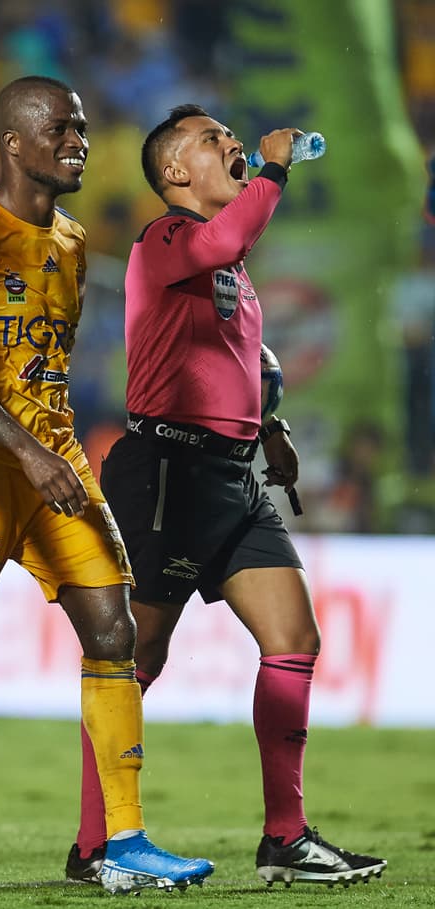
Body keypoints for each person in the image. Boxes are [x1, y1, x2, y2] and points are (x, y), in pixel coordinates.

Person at [0, 76, 216, 895]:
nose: (80, 142)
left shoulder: (69, 241)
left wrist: (49, 454)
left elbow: (46, 367)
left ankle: (125, 838)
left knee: (115, 632)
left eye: (84, 129)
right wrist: (28, 454)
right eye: (63, 129)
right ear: (15, 143)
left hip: (57, 469)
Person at [68, 103, 387, 888]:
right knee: (134, 655)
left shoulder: (231, 274)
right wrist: (276, 167)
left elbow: (241, 362)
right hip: (165, 470)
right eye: (212, 140)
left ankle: (286, 835)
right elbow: (227, 235)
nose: (233, 144)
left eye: (233, 138)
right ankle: (93, 842)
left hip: (233, 477)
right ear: (176, 172)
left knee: (294, 638)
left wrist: (270, 425)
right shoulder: (167, 240)